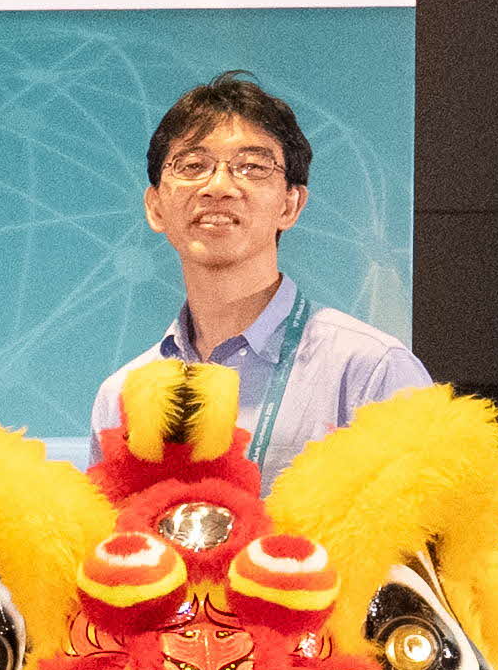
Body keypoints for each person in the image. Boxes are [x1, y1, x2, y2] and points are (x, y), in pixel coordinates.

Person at [94, 71, 429, 460]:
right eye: (193, 165)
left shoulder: (370, 370)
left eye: (252, 166)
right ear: (155, 207)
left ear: (290, 205)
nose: (218, 187)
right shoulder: (120, 395)